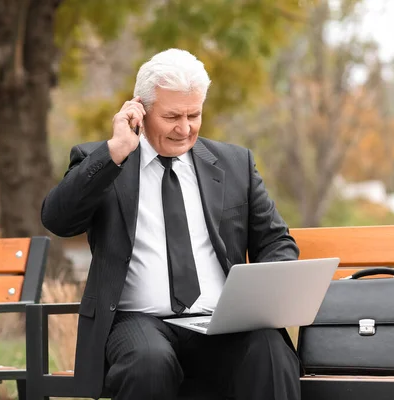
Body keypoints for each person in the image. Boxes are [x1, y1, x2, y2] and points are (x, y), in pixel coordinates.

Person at [41, 48, 301, 400]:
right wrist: (115, 151)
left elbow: (276, 242)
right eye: (172, 116)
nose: (185, 128)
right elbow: (57, 219)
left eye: (194, 114)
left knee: (269, 350)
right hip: (138, 322)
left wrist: (262, 295)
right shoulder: (103, 161)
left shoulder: (236, 164)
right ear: (140, 110)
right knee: (148, 363)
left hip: (220, 321)